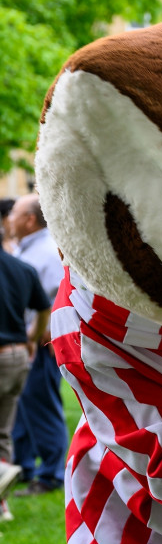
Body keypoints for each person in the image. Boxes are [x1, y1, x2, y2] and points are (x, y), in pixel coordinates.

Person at [6, 193, 66, 497]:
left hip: (39, 344)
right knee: (23, 408)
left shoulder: (44, 251)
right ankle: (24, 467)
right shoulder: (29, 250)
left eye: (14, 213)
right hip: (25, 341)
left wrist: (42, 332)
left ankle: (53, 474)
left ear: (30, 219)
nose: (9, 219)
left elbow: (57, 297)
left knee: (41, 407)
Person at [0, 222, 51, 522]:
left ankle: (3, 471)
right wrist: (33, 338)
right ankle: (2, 505)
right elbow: (44, 307)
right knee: (3, 431)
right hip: (17, 355)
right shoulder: (22, 268)